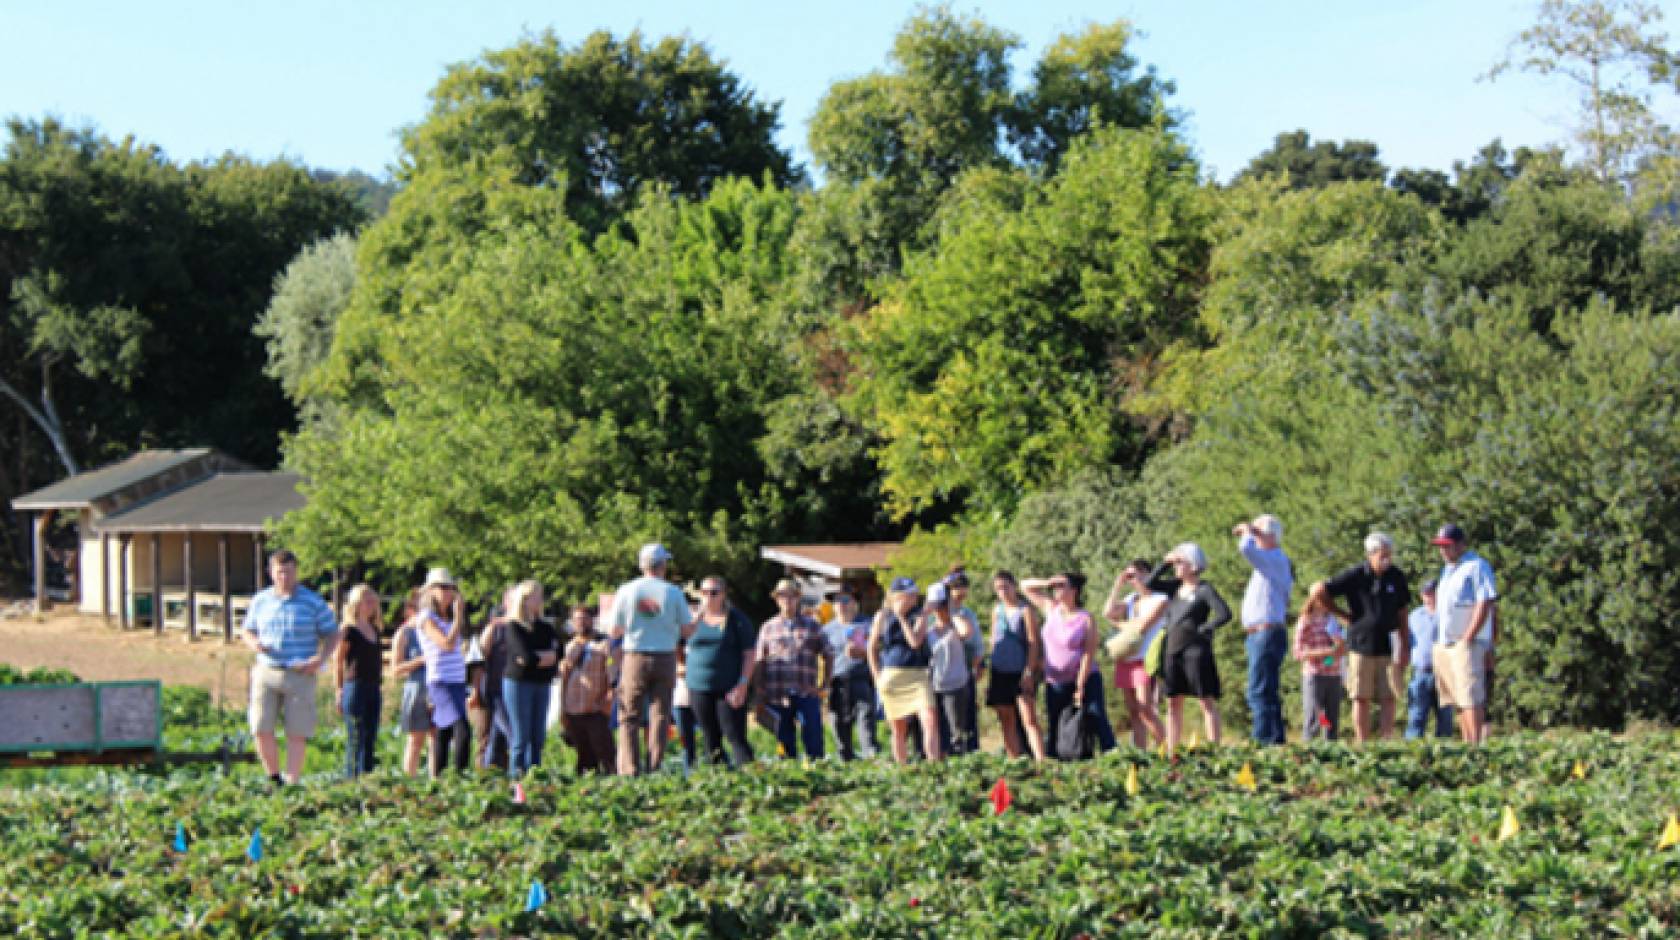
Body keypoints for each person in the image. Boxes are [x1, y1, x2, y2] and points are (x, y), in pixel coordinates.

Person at [241, 549, 338, 786]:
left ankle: (292, 781)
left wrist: (321, 658)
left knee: (297, 731)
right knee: (261, 726)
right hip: (267, 669)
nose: (285, 576)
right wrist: (254, 643)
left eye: (289, 571)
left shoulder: (312, 602)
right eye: (280, 572)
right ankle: (274, 777)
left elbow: (332, 633)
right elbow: (247, 629)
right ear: (271, 573)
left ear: (297, 572)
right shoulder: (261, 600)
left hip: (300, 672)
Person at [1310, 532, 1412, 743]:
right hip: (1360, 644)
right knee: (1360, 696)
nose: (1387, 559)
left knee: (1389, 695)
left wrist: (1405, 644)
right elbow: (1319, 589)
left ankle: (1386, 740)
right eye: (1382, 555)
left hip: (1389, 644)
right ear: (1371, 554)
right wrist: (1341, 614)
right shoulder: (1356, 574)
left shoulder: (1397, 576)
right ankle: (1362, 741)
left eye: (1389, 555)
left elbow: (1403, 611)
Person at [607, 543, 698, 776]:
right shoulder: (673, 592)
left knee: (629, 716)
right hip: (665, 656)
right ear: (663, 566)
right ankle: (654, 766)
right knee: (660, 715)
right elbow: (687, 631)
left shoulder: (627, 590)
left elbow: (614, 630)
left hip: (635, 656)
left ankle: (629, 769)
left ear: (642, 565)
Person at [1147, 544, 1230, 755]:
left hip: (1195, 651)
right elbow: (1150, 583)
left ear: (1193, 565)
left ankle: (1214, 750)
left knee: (1205, 700)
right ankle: (1172, 751)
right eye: (1175, 563)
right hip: (1173, 651)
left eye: (1179, 562)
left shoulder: (1204, 589)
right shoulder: (1175, 587)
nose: (1176, 567)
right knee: (1173, 701)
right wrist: (1165, 563)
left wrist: (1206, 628)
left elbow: (1224, 614)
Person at [1023, 573, 1115, 760]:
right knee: (1056, 722)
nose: (1057, 590)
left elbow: (1089, 653)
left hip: (1084, 678)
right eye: (1056, 587)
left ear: (1074, 591)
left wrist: (1080, 685)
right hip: (1055, 680)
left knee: (1096, 717)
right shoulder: (1051, 609)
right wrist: (1047, 581)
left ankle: (1112, 756)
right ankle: (1057, 762)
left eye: (1062, 586)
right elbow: (1024, 586)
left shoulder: (1085, 618)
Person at [748, 579, 831, 760]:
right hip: (777, 694)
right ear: (777, 599)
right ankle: (788, 776)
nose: (787, 599)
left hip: (806, 691)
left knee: (814, 739)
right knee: (784, 742)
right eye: (782, 595)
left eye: (791, 595)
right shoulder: (768, 627)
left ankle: (817, 773)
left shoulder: (812, 625)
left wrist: (825, 685)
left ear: (798, 598)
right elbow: (759, 661)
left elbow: (828, 653)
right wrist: (759, 690)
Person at [1431, 524, 1498, 744]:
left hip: (1467, 642)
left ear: (1461, 544)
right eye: (1441, 546)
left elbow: (1485, 601)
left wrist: (1469, 635)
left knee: (1470, 696)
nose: (1443, 551)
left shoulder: (1476, 566)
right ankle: (1467, 741)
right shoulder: (1447, 571)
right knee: (1457, 697)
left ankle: (1476, 744)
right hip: (1445, 642)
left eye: (1448, 546)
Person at [683, 575, 758, 769]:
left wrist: (743, 684)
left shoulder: (737, 620)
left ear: (723, 594)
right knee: (710, 737)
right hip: (698, 688)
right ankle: (719, 778)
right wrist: (682, 667)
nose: (709, 596)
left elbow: (749, 654)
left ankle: (751, 777)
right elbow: (677, 642)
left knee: (735, 735)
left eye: (714, 592)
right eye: (704, 592)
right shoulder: (691, 619)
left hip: (729, 688)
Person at [868, 577, 943, 764]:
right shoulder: (882, 616)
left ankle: (933, 764)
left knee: (930, 719)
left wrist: (901, 617)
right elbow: (872, 647)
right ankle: (902, 769)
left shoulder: (920, 614)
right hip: (892, 675)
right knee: (898, 728)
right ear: (896, 596)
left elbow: (915, 642)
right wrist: (876, 677)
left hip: (917, 675)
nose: (913, 599)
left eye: (914, 595)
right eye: (909, 595)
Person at [1234, 515, 1293, 746]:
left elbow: (1245, 549)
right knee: (1266, 689)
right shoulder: (1270, 564)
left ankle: (1262, 740)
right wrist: (1255, 532)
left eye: (1259, 533)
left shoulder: (1275, 559)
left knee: (1258, 690)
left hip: (1265, 633)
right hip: (1261, 633)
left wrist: (1249, 531)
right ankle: (1275, 739)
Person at [1102, 559, 1167, 749]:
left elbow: (1142, 626)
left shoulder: (1160, 599)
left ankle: (1166, 749)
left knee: (1145, 709)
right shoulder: (1131, 599)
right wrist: (1117, 585)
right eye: (1129, 576)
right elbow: (1108, 612)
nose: (1132, 580)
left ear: (1147, 574)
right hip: (1127, 658)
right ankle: (1141, 753)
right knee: (1133, 711)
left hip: (1144, 658)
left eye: (1135, 575)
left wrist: (1119, 625)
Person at [415, 568, 473, 775]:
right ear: (431, 591)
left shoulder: (448, 619)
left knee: (444, 731)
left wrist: (456, 619)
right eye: (443, 587)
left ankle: (438, 777)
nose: (449, 592)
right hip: (441, 681)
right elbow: (446, 644)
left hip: (457, 680)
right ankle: (460, 776)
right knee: (462, 730)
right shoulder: (426, 617)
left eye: (451, 588)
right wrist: (459, 617)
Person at [501, 579, 559, 777]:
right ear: (524, 600)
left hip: (542, 684)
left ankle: (535, 776)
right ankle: (515, 778)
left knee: (538, 736)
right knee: (521, 736)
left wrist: (539, 658)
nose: (540, 600)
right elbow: (524, 658)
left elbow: (556, 655)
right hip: (519, 684)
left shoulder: (546, 627)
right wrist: (542, 658)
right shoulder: (513, 627)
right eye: (536, 596)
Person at [988, 571, 1047, 761]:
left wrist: (1029, 671)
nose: (1002, 591)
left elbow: (1033, 642)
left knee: (1029, 718)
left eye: (1005, 586)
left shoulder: (1025, 610)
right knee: (1006, 718)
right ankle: (1013, 759)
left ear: (1014, 586)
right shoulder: (996, 610)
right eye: (998, 588)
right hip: (999, 670)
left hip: (1020, 670)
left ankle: (1041, 760)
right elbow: (993, 638)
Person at [333, 583, 384, 778]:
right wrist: (339, 690)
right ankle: (351, 780)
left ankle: (367, 779)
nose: (371, 604)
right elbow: (338, 661)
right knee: (356, 737)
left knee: (370, 736)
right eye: (366, 600)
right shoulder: (349, 630)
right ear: (356, 603)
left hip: (373, 686)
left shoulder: (374, 630)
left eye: (373, 600)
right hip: (355, 686)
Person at [559, 605, 616, 774]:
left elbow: (611, 670)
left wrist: (610, 697)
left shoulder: (605, 644)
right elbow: (564, 676)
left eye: (585, 618)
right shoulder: (570, 646)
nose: (581, 623)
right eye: (577, 619)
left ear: (592, 620)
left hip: (596, 706)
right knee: (583, 756)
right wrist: (562, 709)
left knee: (605, 751)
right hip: (573, 707)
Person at [823, 591, 878, 761]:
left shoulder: (867, 624)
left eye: (845, 600)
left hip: (861, 679)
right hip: (837, 682)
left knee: (865, 720)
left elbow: (878, 649)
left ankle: (871, 757)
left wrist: (862, 653)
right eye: (837, 601)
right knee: (839, 724)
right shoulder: (826, 630)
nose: (841, 604)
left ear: (855, 602)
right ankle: (845, 761)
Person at [926, 581, 977, 756]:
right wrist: (927, 612)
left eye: (942, 606)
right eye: (937, 606)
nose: (939, 610)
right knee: (937, 730)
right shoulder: (928, 630)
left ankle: (959, 762)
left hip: (955, 686)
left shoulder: (956, 625)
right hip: (933, 685)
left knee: (957, 731)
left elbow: (966, 633)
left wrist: (952, 612)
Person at [1292, 592, 1347, 742]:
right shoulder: (1305, 621)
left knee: (1331, 719)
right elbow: (1298, 653)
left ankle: (1331, 752)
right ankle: (1308, 749)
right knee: (1314, 717)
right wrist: (1325, 652)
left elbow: (1340, 650)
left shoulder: (1334, 621)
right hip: (1314, 675)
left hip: (1333, 674)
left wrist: (1336, 652)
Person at [1404, 579, 1455, 739]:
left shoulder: (1449, 613)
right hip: (1421, 673)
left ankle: (1446, 755)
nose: (1429, 596)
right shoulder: (1413, 616)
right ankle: (1413, 752)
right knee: (1416, 717)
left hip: (1444, 672)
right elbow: (1406, 642)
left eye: (1432, 592)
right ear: (1421, 595)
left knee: (1445, 718)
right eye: (1426, 593)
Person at [468, 590, 512, 773]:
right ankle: (484, 779)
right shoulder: (494, 629)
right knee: (486, 739)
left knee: (500, 741)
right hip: (491, 692)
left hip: (512, 694)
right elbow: (478, 662)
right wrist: (476, 691)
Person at [391, 589, 432, 776]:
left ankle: (435, 782)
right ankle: (409, 781)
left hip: (435, 688)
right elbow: (396, 669)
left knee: (436, 739)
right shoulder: (405, 633)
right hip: (416, 689)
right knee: (416, 740)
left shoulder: (434, 630)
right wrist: (420, 660)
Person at [945, 569, 984, 756]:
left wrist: (978, 665)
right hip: (942, 672)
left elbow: (976, 643)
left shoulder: (968, 613)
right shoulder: (937, 612)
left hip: (965, 670)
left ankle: (970, 753)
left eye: (963, 587)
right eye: (955, 587)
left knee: (967, 717)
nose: (960, 592)